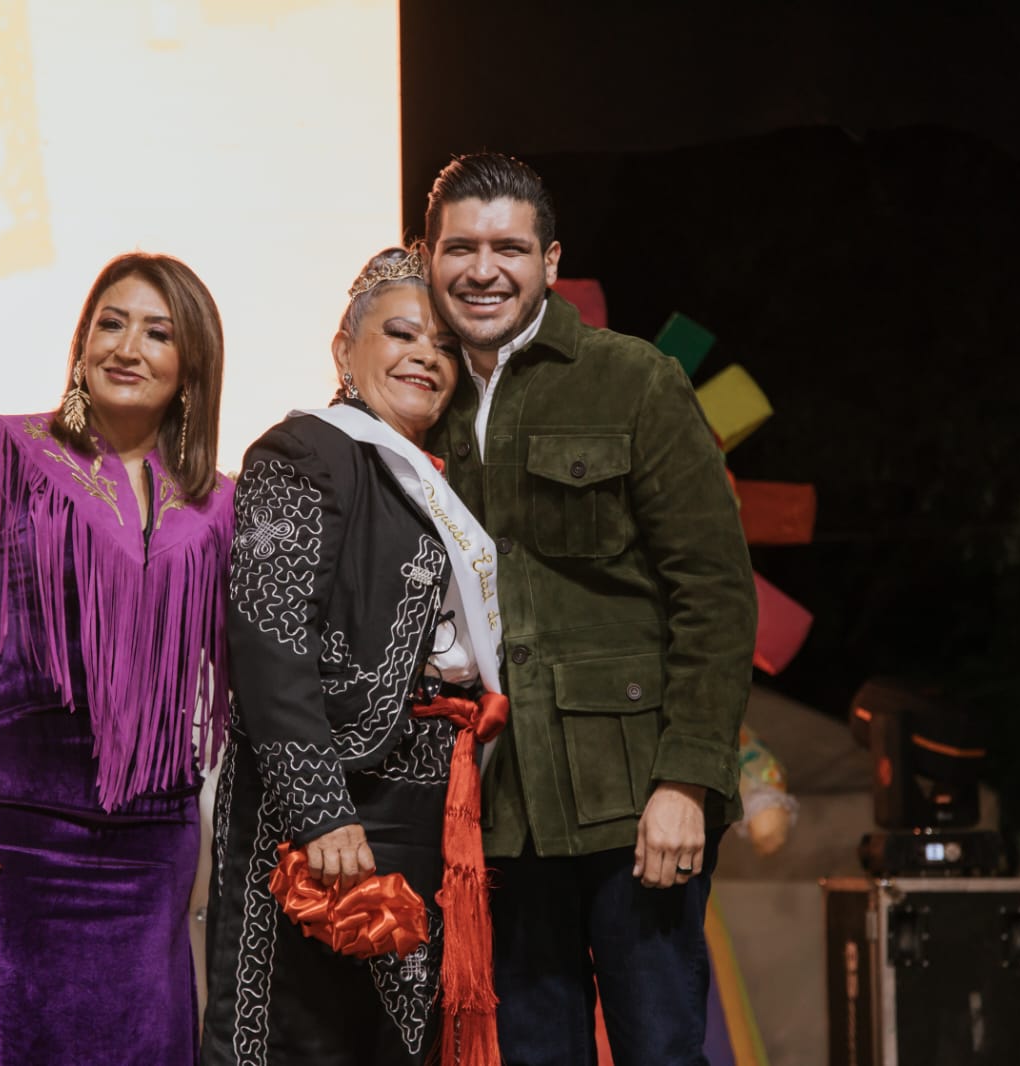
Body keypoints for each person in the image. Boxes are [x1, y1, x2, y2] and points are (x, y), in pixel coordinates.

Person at [423, 153, 758, 1066]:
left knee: (661, 1051)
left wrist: (686, 783)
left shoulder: (633, 380)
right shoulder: (416, 397)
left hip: (634, 798)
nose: (483, 270)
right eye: (460, 247)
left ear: (550, 260)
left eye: (508, 248)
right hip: (497, 810)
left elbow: (715, 594)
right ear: (428, 256)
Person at [0, 252, 232, 1065]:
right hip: (2, 834)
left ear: (191, 364)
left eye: (157, 333)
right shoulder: (5, 450)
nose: (127, 347)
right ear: (82, 343)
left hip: (149, 843)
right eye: (110, 324)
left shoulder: (219, 504)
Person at [202, 247, 508, 1066]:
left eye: (445, 345)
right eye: (401, 334)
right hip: (332, 800)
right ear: (345, 350)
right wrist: (318, 808)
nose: (425, 356)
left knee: (399, 1043)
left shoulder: (446, 479)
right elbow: (269, 637)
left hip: (434, 804)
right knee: (297, 1040)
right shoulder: (303, 451)